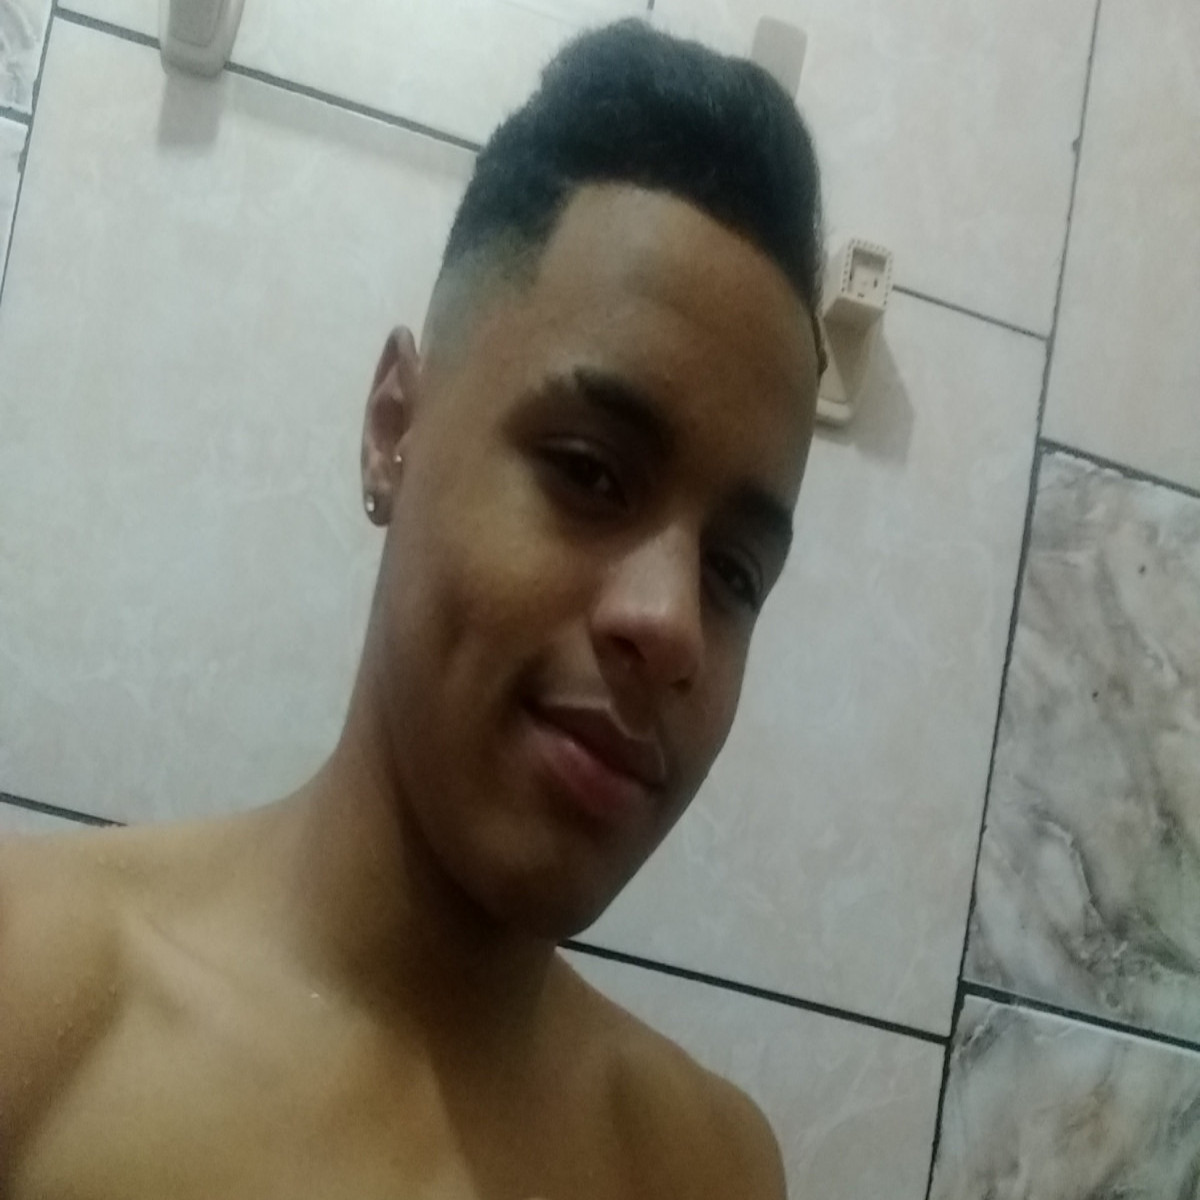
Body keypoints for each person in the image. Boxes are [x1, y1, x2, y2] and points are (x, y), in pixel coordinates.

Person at [0, 19, 823, 1199]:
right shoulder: (35, 996)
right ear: (396, 426)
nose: (673, 624)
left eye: (735, 573)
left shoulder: (708, 1169)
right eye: (590, 472)